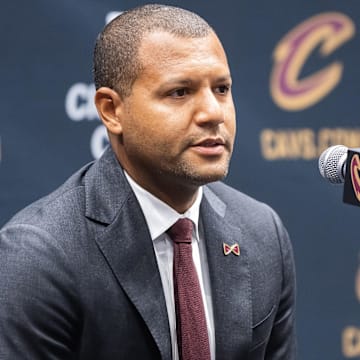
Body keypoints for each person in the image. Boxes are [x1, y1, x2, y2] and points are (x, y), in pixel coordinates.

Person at [0, 4, 296, 359]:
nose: (213, 113)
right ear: (111, 110)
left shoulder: (262, 233)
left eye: (221, 89)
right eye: (179, 92)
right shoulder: (38, 256)